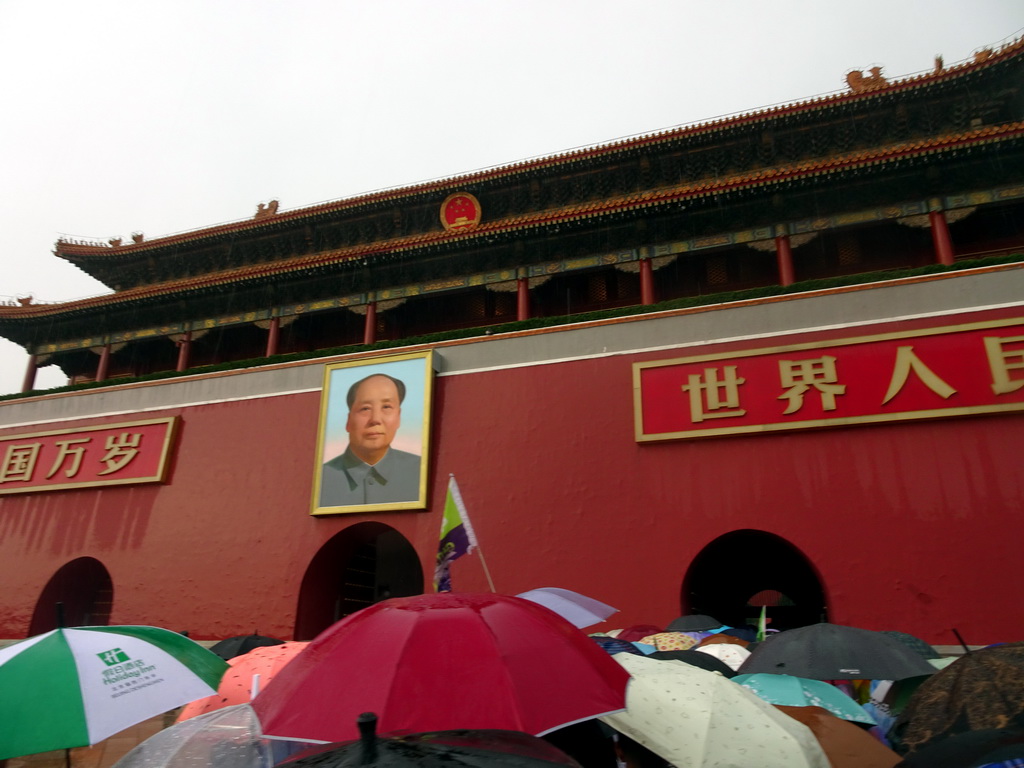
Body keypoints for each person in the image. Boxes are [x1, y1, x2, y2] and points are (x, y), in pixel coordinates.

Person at [319, 372, 421, 506]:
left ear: (398, 417)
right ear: (349, 420)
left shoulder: (420, 472)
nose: (375, 420)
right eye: (365, 409)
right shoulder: (322, 479)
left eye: (386, 407)